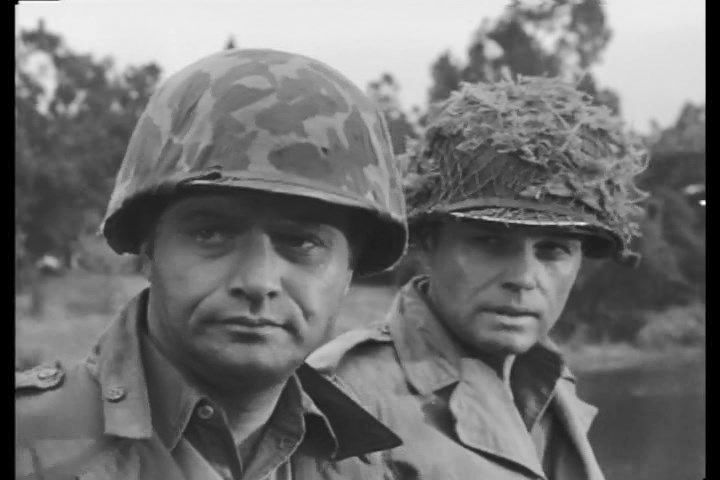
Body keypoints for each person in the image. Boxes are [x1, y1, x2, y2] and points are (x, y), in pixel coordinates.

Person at [15, 48, 408, 480]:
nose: (258, 281)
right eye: (211, 233)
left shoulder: (361, 469)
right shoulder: (28, 447)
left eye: (302, 242)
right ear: (148, 248)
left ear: (349, 269)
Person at [308, 76, 649, 480]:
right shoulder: (345, 401)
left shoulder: (549, 387)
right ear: (429, 244)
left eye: (553, 249)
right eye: (490, 243)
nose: (524, 278)